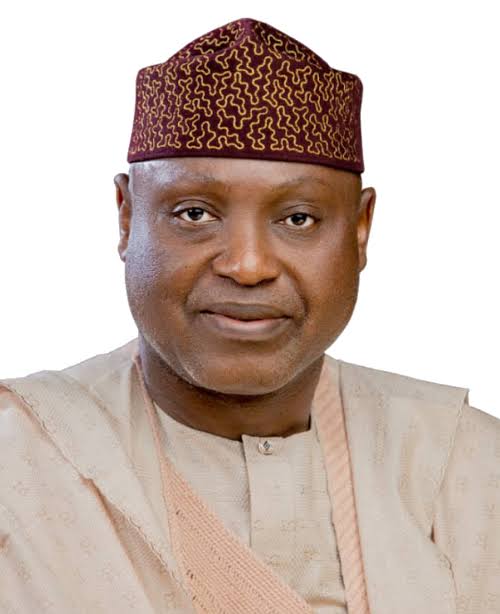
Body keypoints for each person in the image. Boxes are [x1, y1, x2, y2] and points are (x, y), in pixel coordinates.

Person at [0, 17, 498, 614]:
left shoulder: (465, 465)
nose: (248, 265)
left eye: (298, 219)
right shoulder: (19, 460)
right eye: (193, 213)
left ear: (361, 230)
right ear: (126, 216)